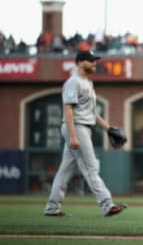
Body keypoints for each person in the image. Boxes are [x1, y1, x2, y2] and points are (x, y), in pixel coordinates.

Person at [44, 50, 127, 217]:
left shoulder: (88, 83)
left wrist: (108, 128)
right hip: (76, 127)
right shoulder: (72, 82)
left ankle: (52, 208)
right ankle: (107, 204)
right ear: (80, 62)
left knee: (65, 170)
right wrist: (73, 136)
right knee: (90, 167)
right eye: (91, 61)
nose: (95, 63)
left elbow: (92, 112)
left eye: (95, 60)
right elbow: (68, 108)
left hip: (83, 126)